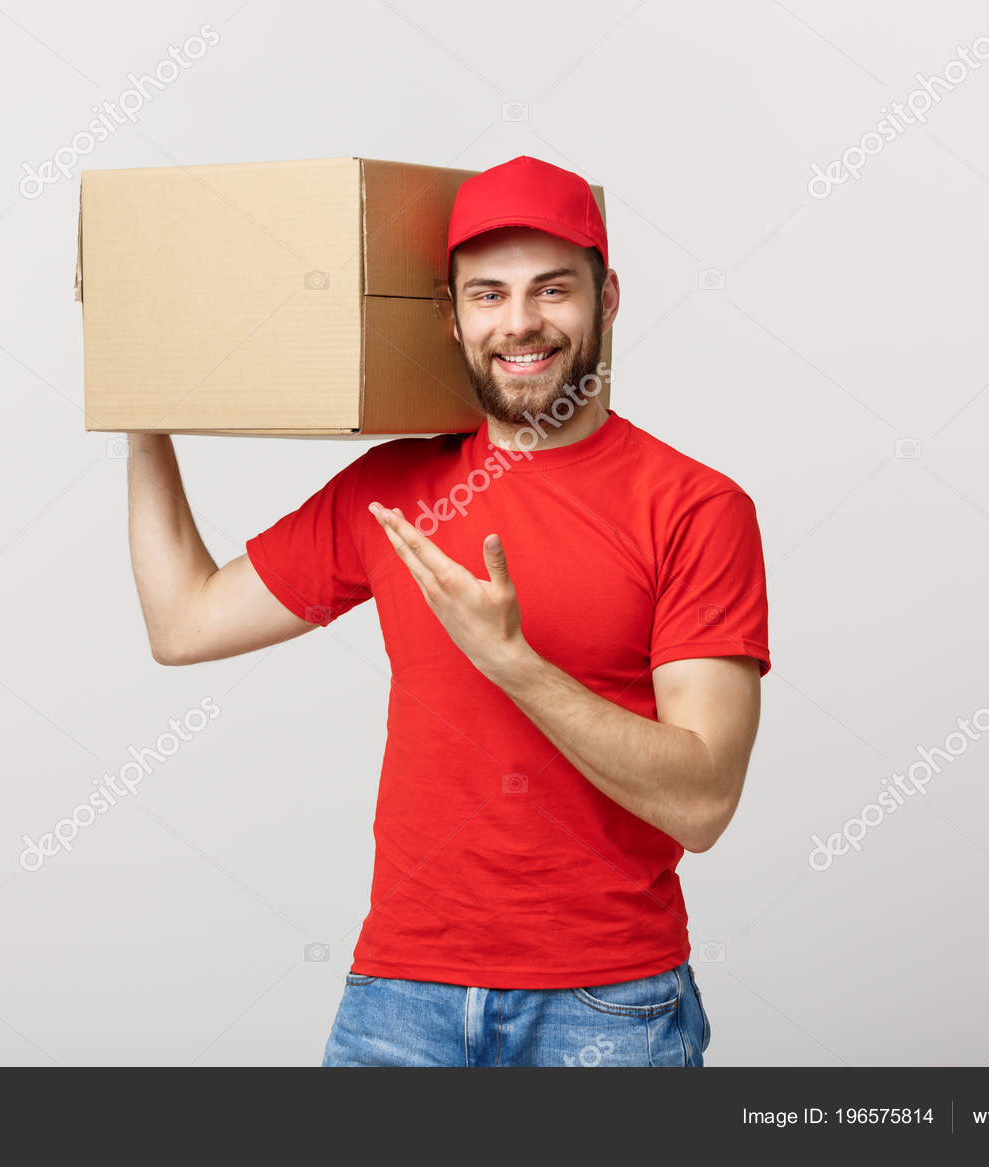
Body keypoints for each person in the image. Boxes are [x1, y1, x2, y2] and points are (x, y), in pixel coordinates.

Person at [126, 155, 770, 1067]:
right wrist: (139, 411)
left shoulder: (694, 507)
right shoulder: (397, 490)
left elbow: (702, 802)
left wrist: (514, 662)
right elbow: (182, 623)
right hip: (401, 1000)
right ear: (451, 315)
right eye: (487, 294)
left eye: (552, 290)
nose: (520, 323)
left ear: (609, 298)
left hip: (608, 1007)